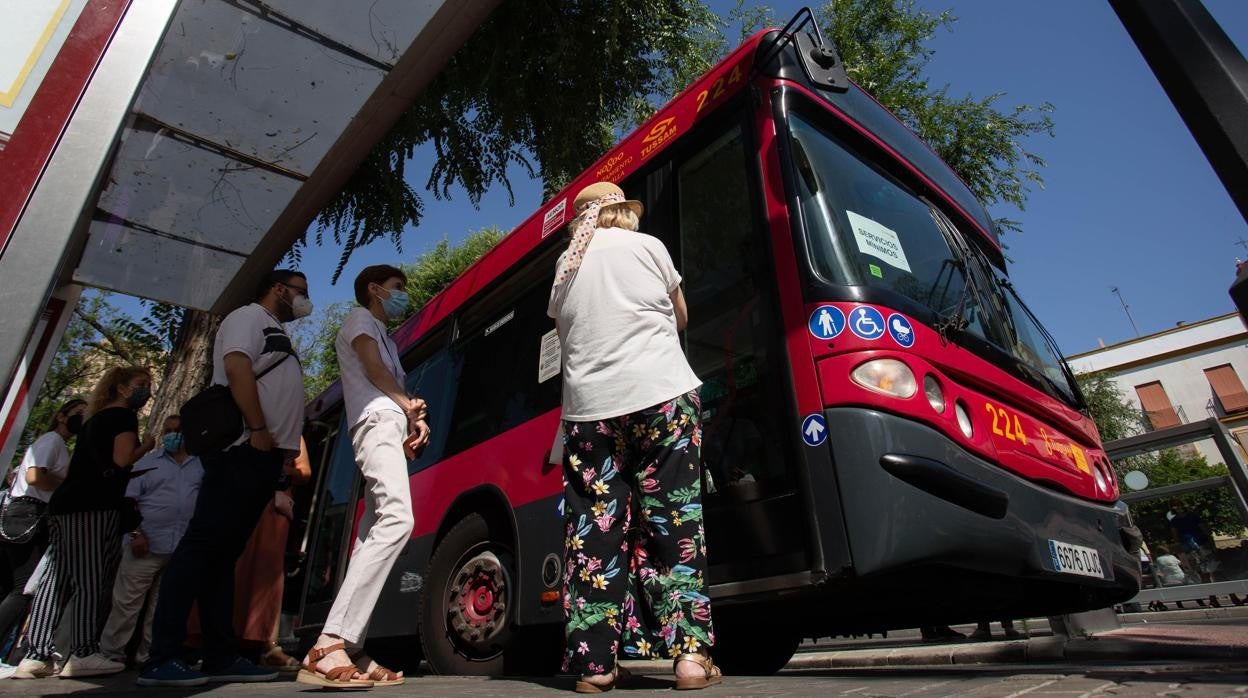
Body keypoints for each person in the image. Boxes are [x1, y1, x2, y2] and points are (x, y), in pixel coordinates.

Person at [548, 182, 719, 692]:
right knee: (674, 522)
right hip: (661, 396)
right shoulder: (648, 247)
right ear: (621, 213)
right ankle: (690, 659)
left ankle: (595, 665)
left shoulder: (564, 269)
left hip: (589, 414)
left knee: (594, 536)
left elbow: (566, 342)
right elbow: (682, 315)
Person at [140, 270, 308, 687]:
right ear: (278, 288)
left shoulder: (276, 331)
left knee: (220, 558)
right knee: (201, 548)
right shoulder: (247, 317)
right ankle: (162, 657)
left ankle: (219, 654)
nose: (306, 300)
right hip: (242, 450)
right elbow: (236, 368)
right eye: (301, 291)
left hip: (264, 457)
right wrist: (256, 428)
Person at [298, 265, 427, 688]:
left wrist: (412, 422)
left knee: (371, 535)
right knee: (397, 520)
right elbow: (373, 370)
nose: (402, 295)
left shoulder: (386, 336)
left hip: (387, 424)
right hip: (374, 424)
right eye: (396, 289)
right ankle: (330, 642)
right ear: (373, 289)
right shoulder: (359, 320)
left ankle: (351, 647)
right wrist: (407, 405)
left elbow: (386, 379)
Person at [15, 367, 156, 679]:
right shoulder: (122, 418)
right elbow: (121, 460)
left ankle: (35, 654)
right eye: (140, 384)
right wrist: (146, 446)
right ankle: (83, 651)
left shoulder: (95, 418)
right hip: (93, 506)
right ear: (121, 388)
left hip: (66, 505)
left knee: (56, 577)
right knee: (90, 577)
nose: (146, 391)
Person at [85, 415, 202, 672]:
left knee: (162, 607)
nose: (173, 434)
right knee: (127, 603)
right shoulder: (147, 464)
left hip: (180, 548)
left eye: (179, 430)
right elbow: (128, 501)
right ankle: (111, 654)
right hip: (145, 545)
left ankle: (149, 654)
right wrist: (136, 533)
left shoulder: (200, 466)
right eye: (168, 430)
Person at [0, 399, 86, 664]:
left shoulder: (56, 444)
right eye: (77, 413)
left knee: (10, 586)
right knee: (23, 588)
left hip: (22, 514)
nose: (81, 418)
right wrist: (66, 485)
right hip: (31, 514)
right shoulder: (52, 441)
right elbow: (35, 477)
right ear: (61, 416)